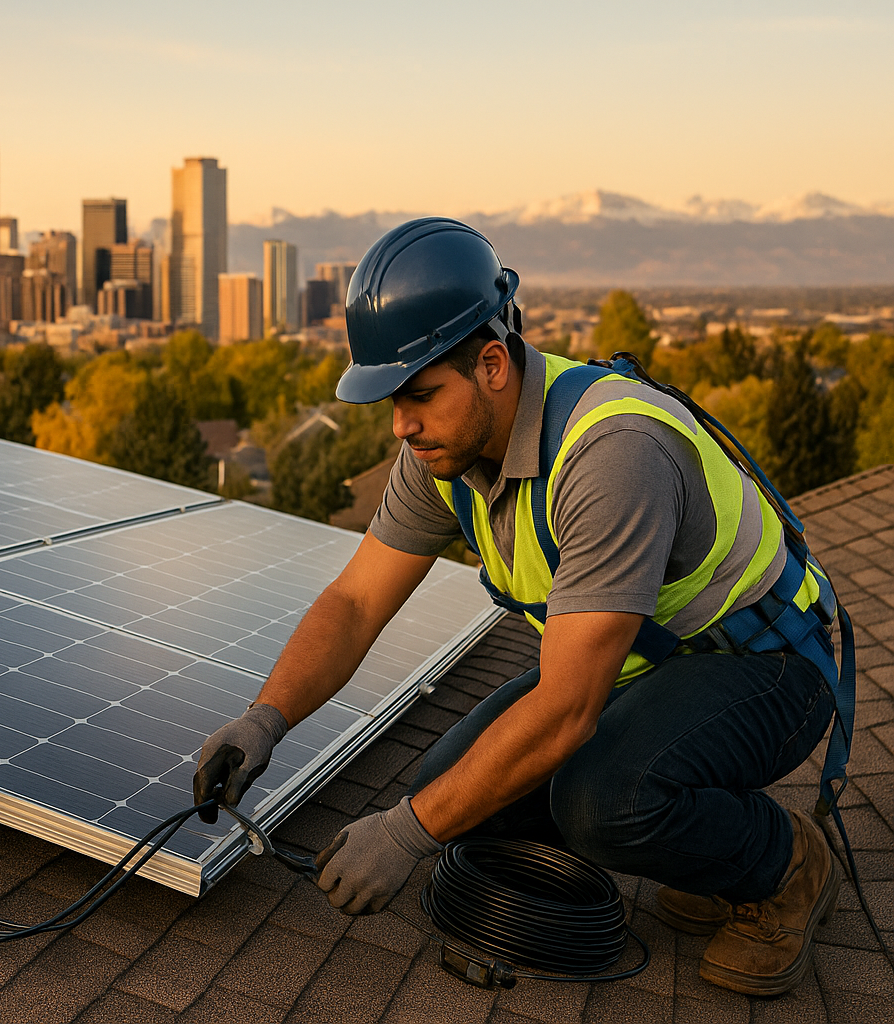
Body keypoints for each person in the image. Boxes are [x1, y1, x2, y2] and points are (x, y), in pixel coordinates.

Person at [192, 217, 848, 996]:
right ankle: (692, 820)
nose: (402, 425)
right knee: (458, 788)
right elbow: (356, 602)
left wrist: (405, 834)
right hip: (641, 671)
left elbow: (568, 710)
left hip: (765, 669)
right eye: (391, 401)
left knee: (601, 800)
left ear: (494, 364)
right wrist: (265, 719)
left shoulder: (611, 455)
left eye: (420, 395)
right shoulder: (441, 449)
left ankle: (786, 864)